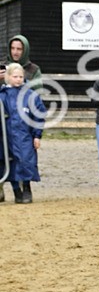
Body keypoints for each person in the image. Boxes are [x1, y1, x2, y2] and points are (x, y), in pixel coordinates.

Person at [0, 62, 45, 203]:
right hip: (6, 137)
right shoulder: (3, 95)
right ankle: (16, 191)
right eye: (15, 76)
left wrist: (37, 135)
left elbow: (39, 114)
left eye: (20, 76)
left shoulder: (30, 95)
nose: (18, 79)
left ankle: (26, 188)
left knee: (26, 161)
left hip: (25, 136)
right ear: (8, 77)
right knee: (9, 163)